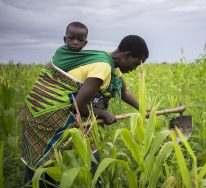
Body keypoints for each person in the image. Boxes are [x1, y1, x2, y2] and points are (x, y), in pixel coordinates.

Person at [19, 21, 149, 187]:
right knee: (43, 170)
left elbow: (125, 93)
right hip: (48, 116)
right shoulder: (103, 66)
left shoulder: (109, 61)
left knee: (59, 164)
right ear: (126, 55)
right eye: (136, 63)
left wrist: (144, 110)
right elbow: (78, 106)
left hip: (40, 112)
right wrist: (104, 114)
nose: (135, 68)